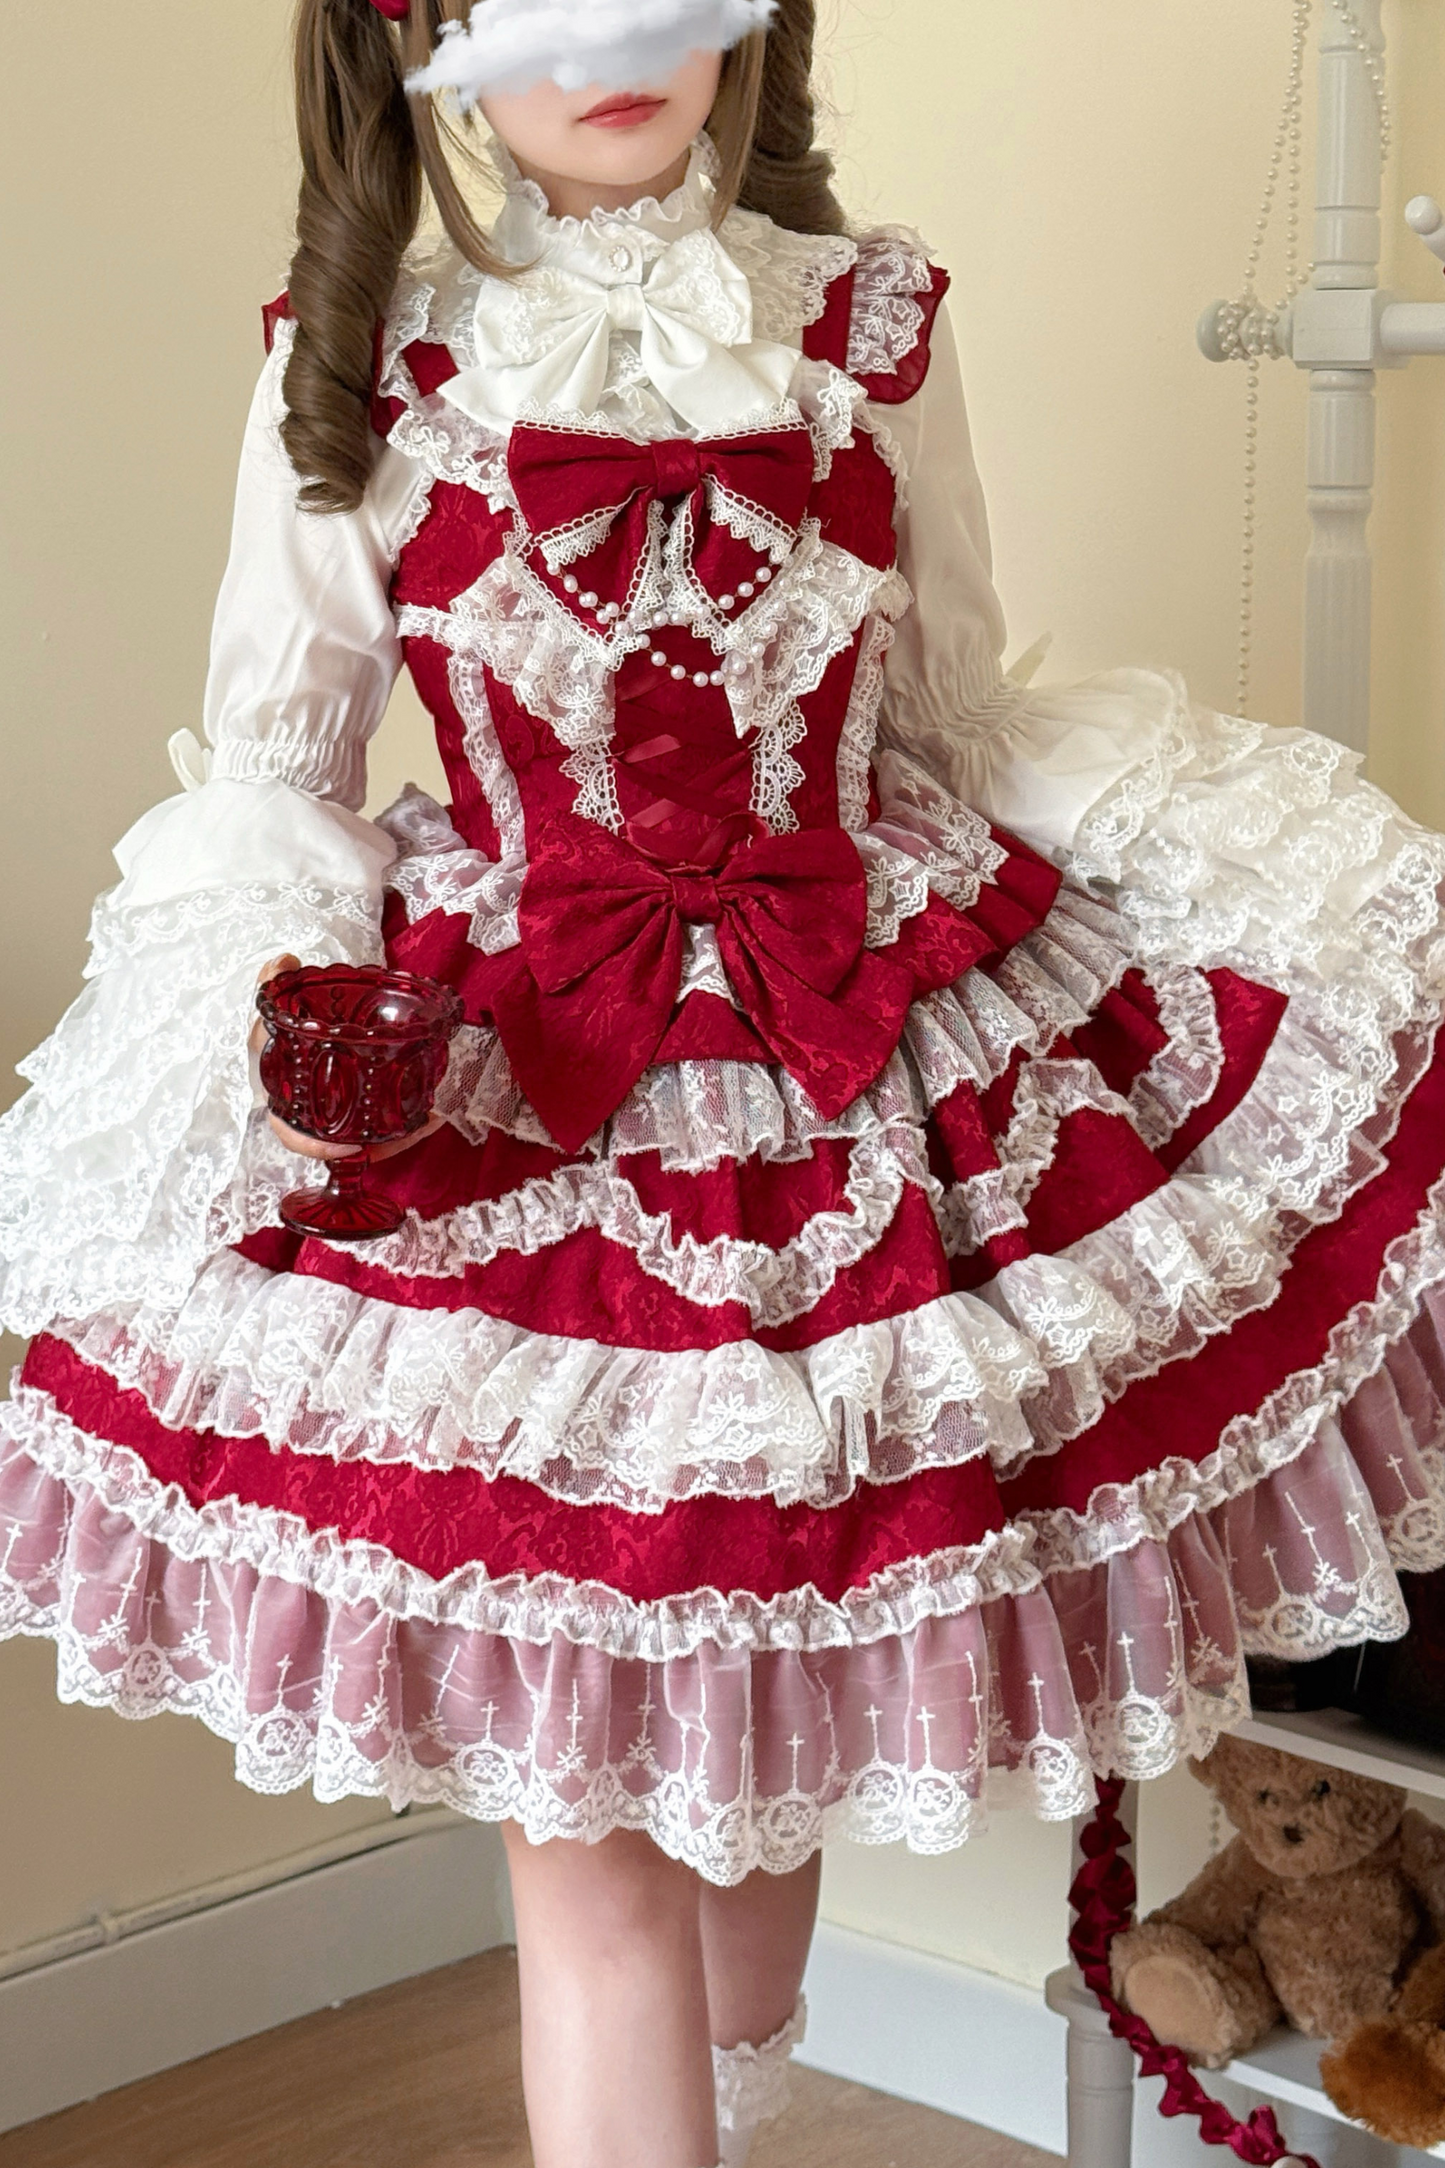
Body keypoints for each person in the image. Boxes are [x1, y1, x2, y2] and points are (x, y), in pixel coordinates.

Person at [4, 2, 1445, 2163]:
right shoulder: (368, 359)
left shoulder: (871, 326)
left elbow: (951, 712)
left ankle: (738, 2111)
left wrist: (1260, 886)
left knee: (772, 1736)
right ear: (422, 36)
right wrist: (275, 1018)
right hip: (522, 1098)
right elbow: (281, 766)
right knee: (585, 1845)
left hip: (852, 1058)